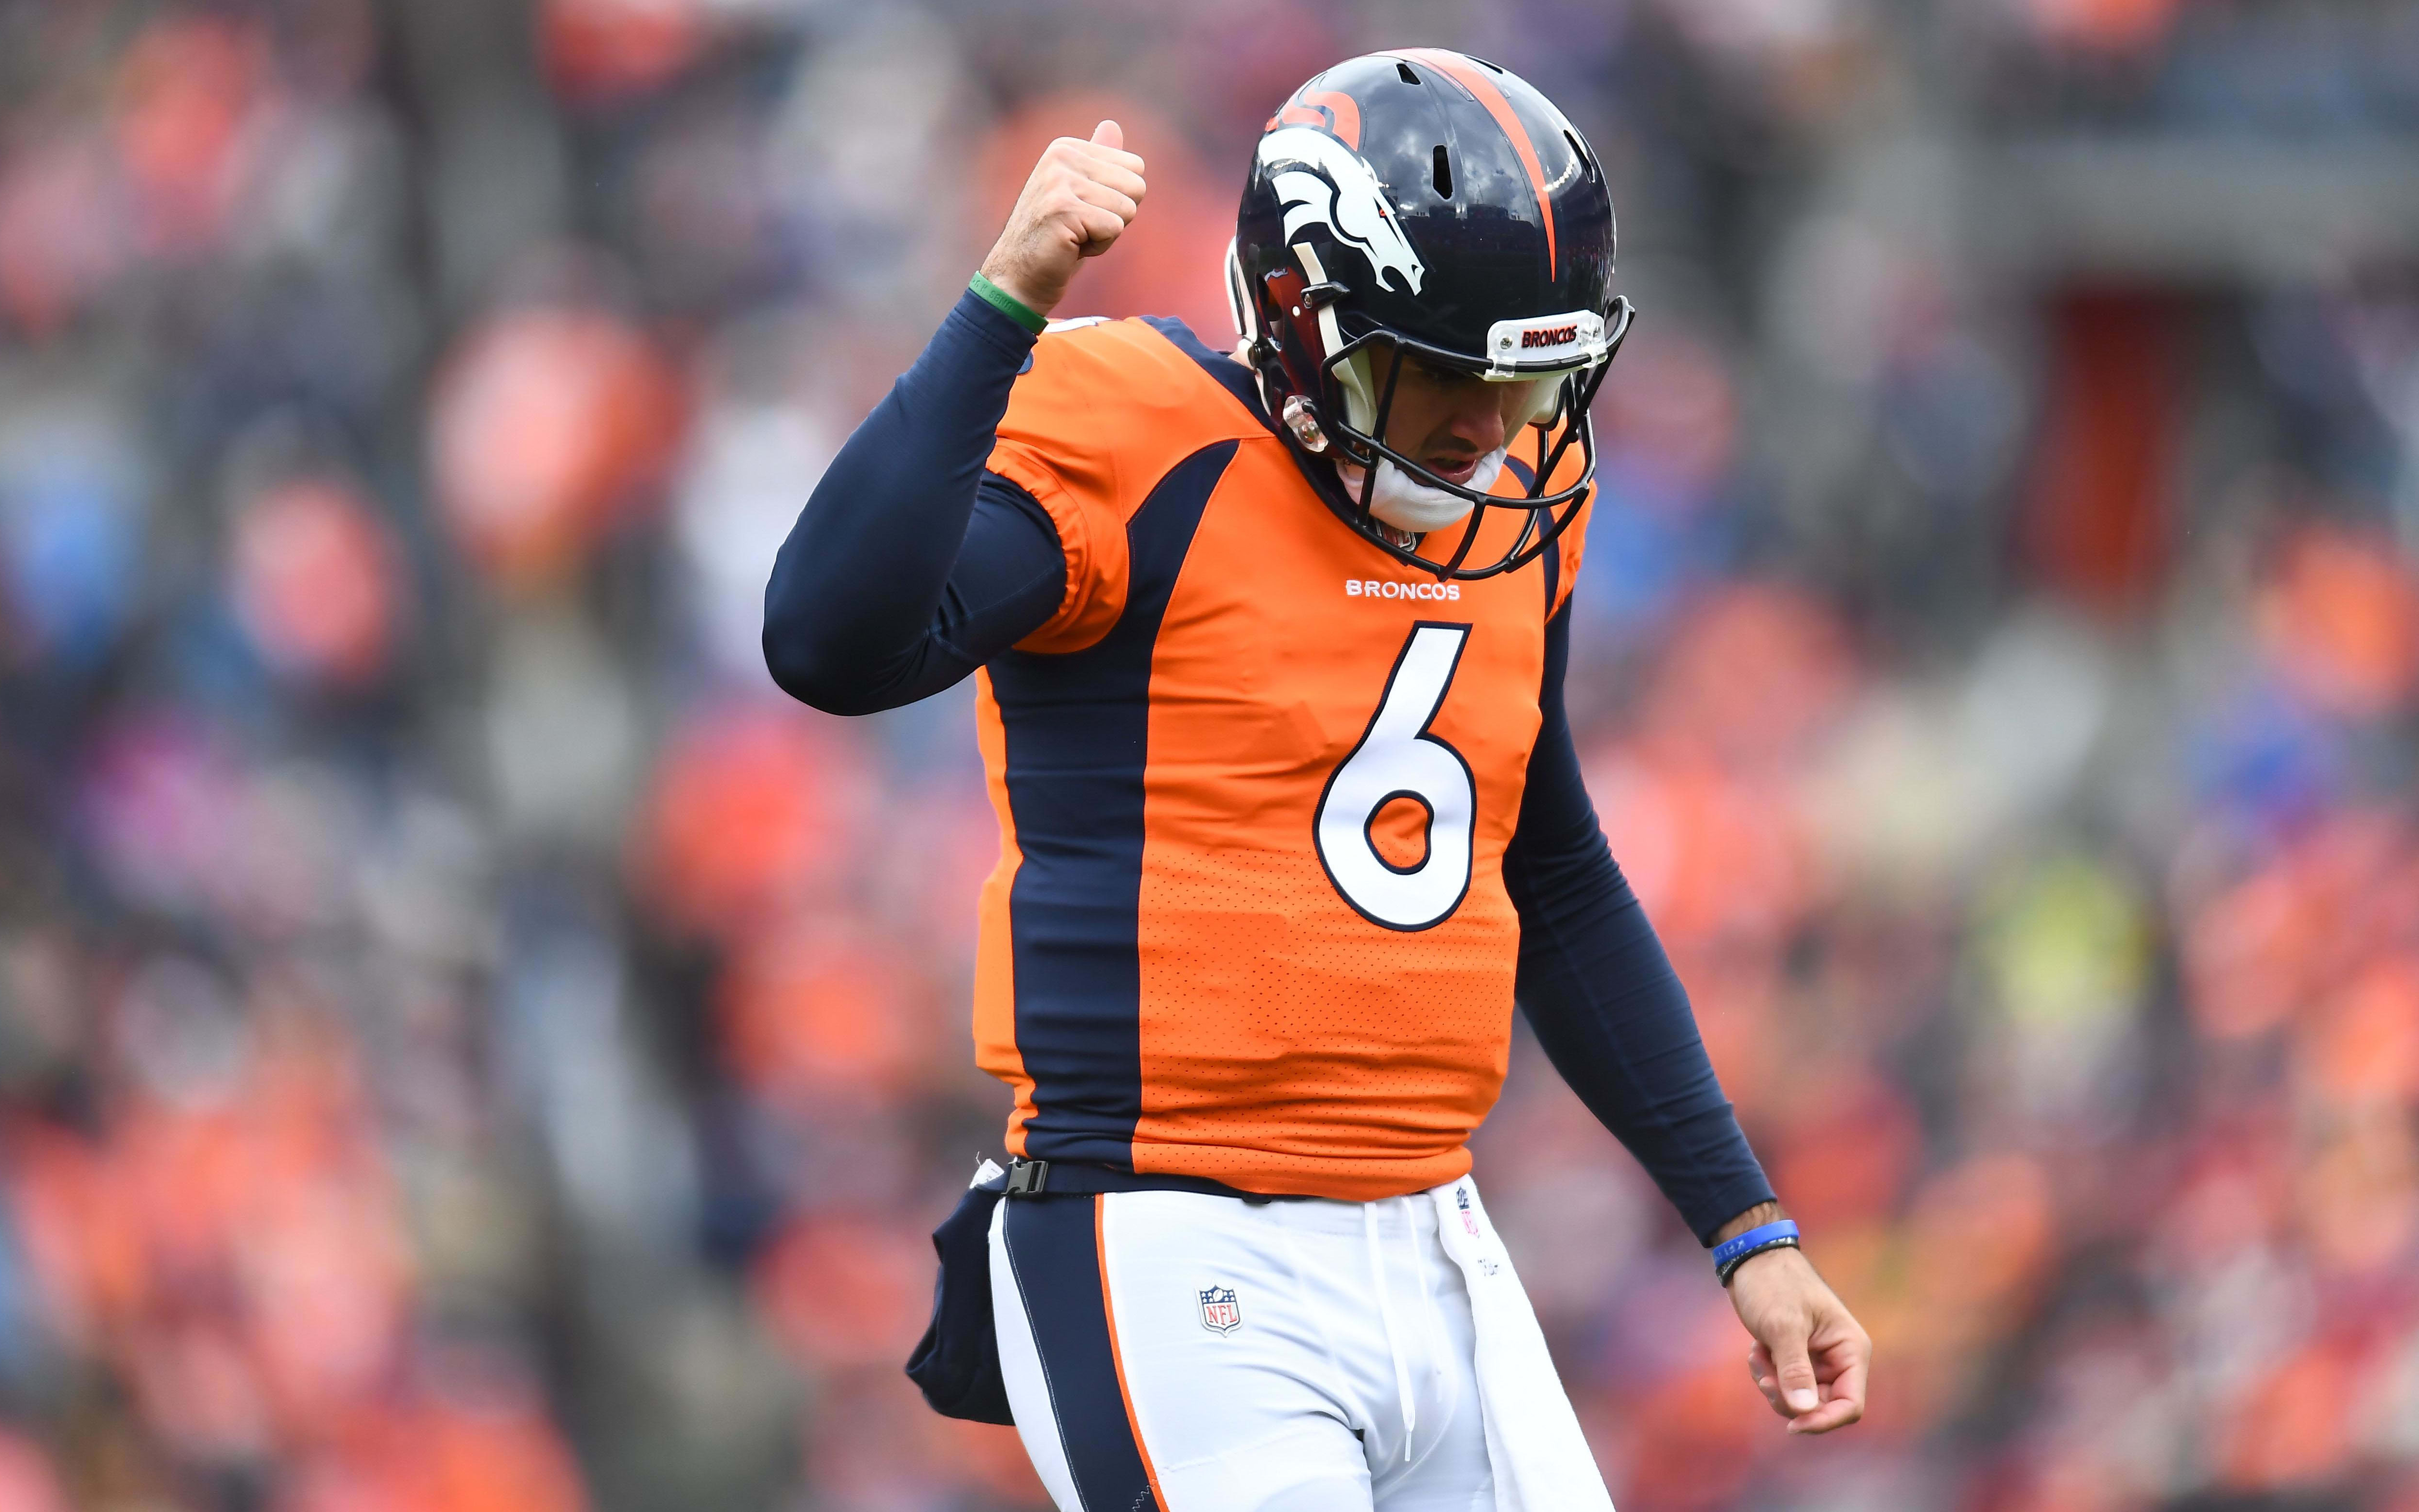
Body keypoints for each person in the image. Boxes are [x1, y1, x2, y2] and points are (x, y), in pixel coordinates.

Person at [765, 50, 1869, 1512]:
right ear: (1308, 326)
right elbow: (829, 639)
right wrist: (1004, 304)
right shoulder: (1139, 436)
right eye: (1447, 381)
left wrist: (1748, 1225)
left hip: (1436, 1238)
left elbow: (1551, 867)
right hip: (1168, 1228)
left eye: (1531, 378)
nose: (1491, 432)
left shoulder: (1525, 511)